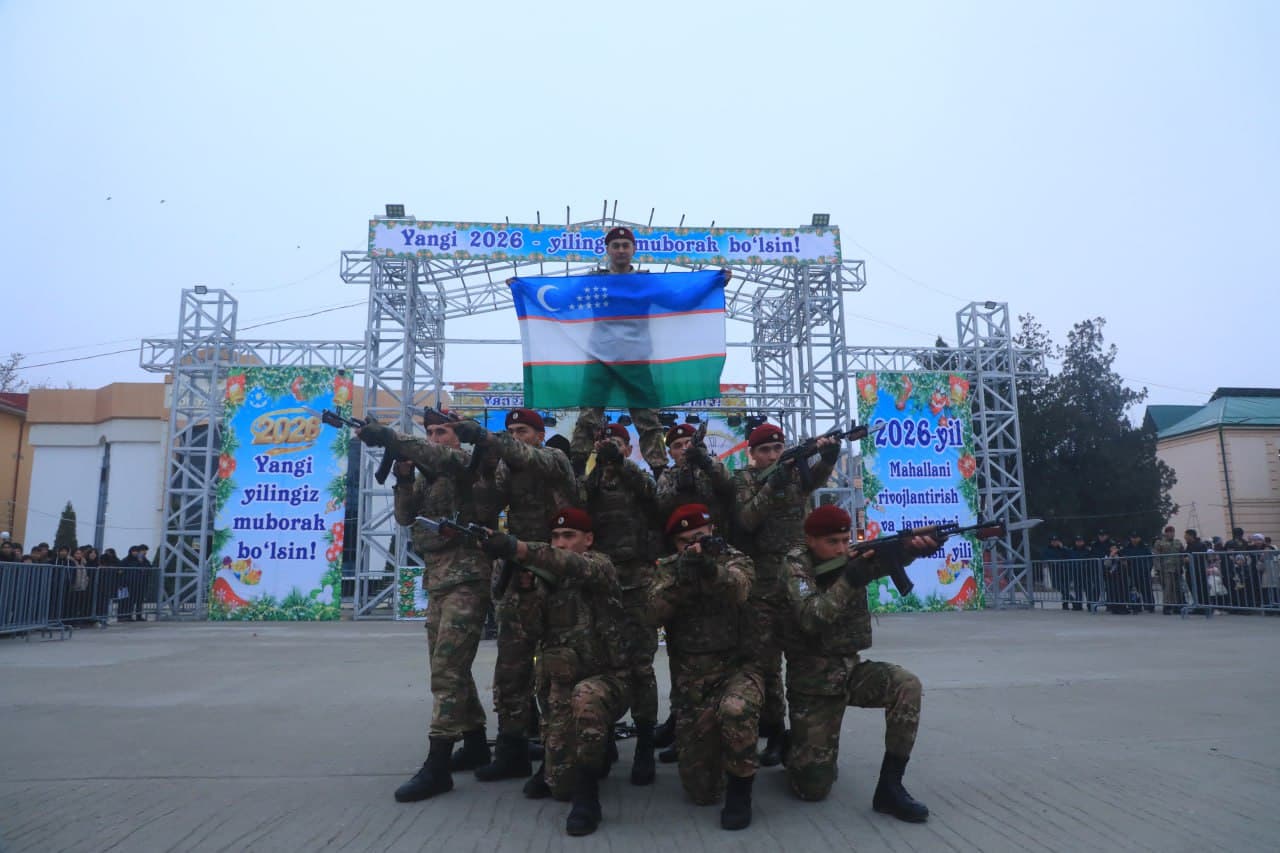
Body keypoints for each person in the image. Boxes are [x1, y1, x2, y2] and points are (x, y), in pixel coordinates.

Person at [356, 410, 500, 801]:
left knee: (447, 670)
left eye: (443, 432)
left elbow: (440, 458)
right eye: (431, 432)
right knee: (447, 663)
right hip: (438, 579)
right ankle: (472, 741)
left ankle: (437, 764)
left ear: (459, 437)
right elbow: (405, 518)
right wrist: (403, 478)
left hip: (468, 578)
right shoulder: (429, 473)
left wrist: (389, 436)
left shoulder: (468, 464)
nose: (436, 438)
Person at [477, 508, 631, 837]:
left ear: (588, 540)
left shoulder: (599, 565)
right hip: (561, 685)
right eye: (556, 537)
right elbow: (528, 629)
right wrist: (527, 590)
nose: (561, 543)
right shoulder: (547, 578)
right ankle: (570, 759)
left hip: (607, 682)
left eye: (569, 536)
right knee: (559, 787)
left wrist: (518, 548)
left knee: (585, 700)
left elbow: (570, 564)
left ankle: (589, 799)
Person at [780, 505, 937, 821]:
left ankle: (890, 788)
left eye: (844, 539)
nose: (841, 548)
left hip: (851, 671)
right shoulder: (795, 565)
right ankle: (794, 748)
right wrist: (849, 580)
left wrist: (911, 550)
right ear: (811, 540)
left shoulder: (851, 557)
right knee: (813, 789)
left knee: (906, 685)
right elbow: (811, 618)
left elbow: (882, 563)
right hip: (813, 685)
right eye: (832, 542)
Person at [456, 409, 582, 784]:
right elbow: (484, 508)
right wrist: (482, 465)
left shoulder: (553, 458)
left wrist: (491, 439)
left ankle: (563, 749)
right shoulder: (504, 468)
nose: (516, 435)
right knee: (511, 666)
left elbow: (527, 456)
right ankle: (512, 748)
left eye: (523, 430)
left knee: (558, 668)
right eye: (510, 430)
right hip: (518, 575)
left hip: (556, 574)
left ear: (540, 434)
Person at [648, 504, 761, 830]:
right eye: (685, 542)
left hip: (738, 671)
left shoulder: (735, 559)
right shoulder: (669, 569)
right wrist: (682, 580)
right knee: (701, 791)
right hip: (693, 685)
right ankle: (721, 749)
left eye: (699, 538)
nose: (694, 546)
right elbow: (651, 614)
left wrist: (711, 571)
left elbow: (740, 589)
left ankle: (742, 792)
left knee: (736, 709)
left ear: (712, 533)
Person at [732, 423, 839, 767]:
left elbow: (815, 480)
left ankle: (804, 730)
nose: (773, 455)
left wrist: (828, 456)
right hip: (764, 579)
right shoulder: (745, 479)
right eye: (765, 450)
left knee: (803, 654)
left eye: (778, 449)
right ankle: (775, 731)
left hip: (798, 575)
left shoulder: (796, 474)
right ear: (752, 452)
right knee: (765, 661)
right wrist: (773, 484)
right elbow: (747, 520)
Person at [580, 422, 661, 785]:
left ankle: (645, 744)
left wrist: (620, 464)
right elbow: (578, 503)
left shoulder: (638, 476)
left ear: (629, 449)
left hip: (638, 582)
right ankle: (606, 735)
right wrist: (599, 465)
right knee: (602, 662)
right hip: (601, 583)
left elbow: (651, 495)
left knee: (641, 667)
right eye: (606, 444)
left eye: (618, 444)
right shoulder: (593, 482)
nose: (613, 449)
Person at [651, 421, 737, 759]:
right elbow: (659, 506)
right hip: (680, 562)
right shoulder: (669, 476)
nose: (684, 448)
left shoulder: (708, 468)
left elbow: (727, 488)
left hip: (717, 561)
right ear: (670, 452)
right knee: (680, 647)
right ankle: (680, 720)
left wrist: (702, 461)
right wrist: (680, 480)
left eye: (689, 442)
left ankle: (725, 718)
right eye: (677, 446)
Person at [567, 226, 667, 475]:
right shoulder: (595, 281)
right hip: (600, 357)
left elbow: (678, 299)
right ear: (608, 250)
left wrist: (715, 283)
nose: (621, 250)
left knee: (648, 419)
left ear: (634, 250)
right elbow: (563, 300)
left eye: (625, 245)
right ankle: (576, 471)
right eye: (616, 245)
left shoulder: (645, 282)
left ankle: (661, 473)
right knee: (588, 416)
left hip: (636, 358)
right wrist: (523, 288)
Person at [1151, 526, 1185, 614]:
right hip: (1165, 569)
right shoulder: (1159, 543)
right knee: (1168, 589)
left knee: (1177, 588)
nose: (1171, 533)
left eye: (1172, 532)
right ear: (1165, 533)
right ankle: (1167, 606)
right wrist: (1157, 568)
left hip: (1177, 568)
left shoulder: (1178, 542)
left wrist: (1182, 565)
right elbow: (1156, 556)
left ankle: (1177, 605)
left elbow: (1182, 554)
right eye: (1169, 532)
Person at [1042, 533, 1075, 610]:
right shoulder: (1047, 549)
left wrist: (1063, 548)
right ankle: (1073, 600)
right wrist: (1054, 561)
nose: (1054, 542)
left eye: (1056, 541)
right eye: (1053, 541)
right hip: (1055, 571)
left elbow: (1071, 555)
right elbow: (1044, 557)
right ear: (1050, 542)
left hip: (1065, 571)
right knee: (1057, 585)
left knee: (1065, 588)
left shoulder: (1063, 549)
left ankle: (1065, 604)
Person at [1182, 529, 1210, 615]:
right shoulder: (1189, 545)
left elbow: (1201, 557)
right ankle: (1197, 605)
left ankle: (1203, 607)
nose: (1184, 537)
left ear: (1191, 536)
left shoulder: (1200, 545)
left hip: (1198, 570)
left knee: (1201, 588)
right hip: (1190, 570)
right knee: (1193, 588)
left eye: (1186, 535)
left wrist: (1189, 559)